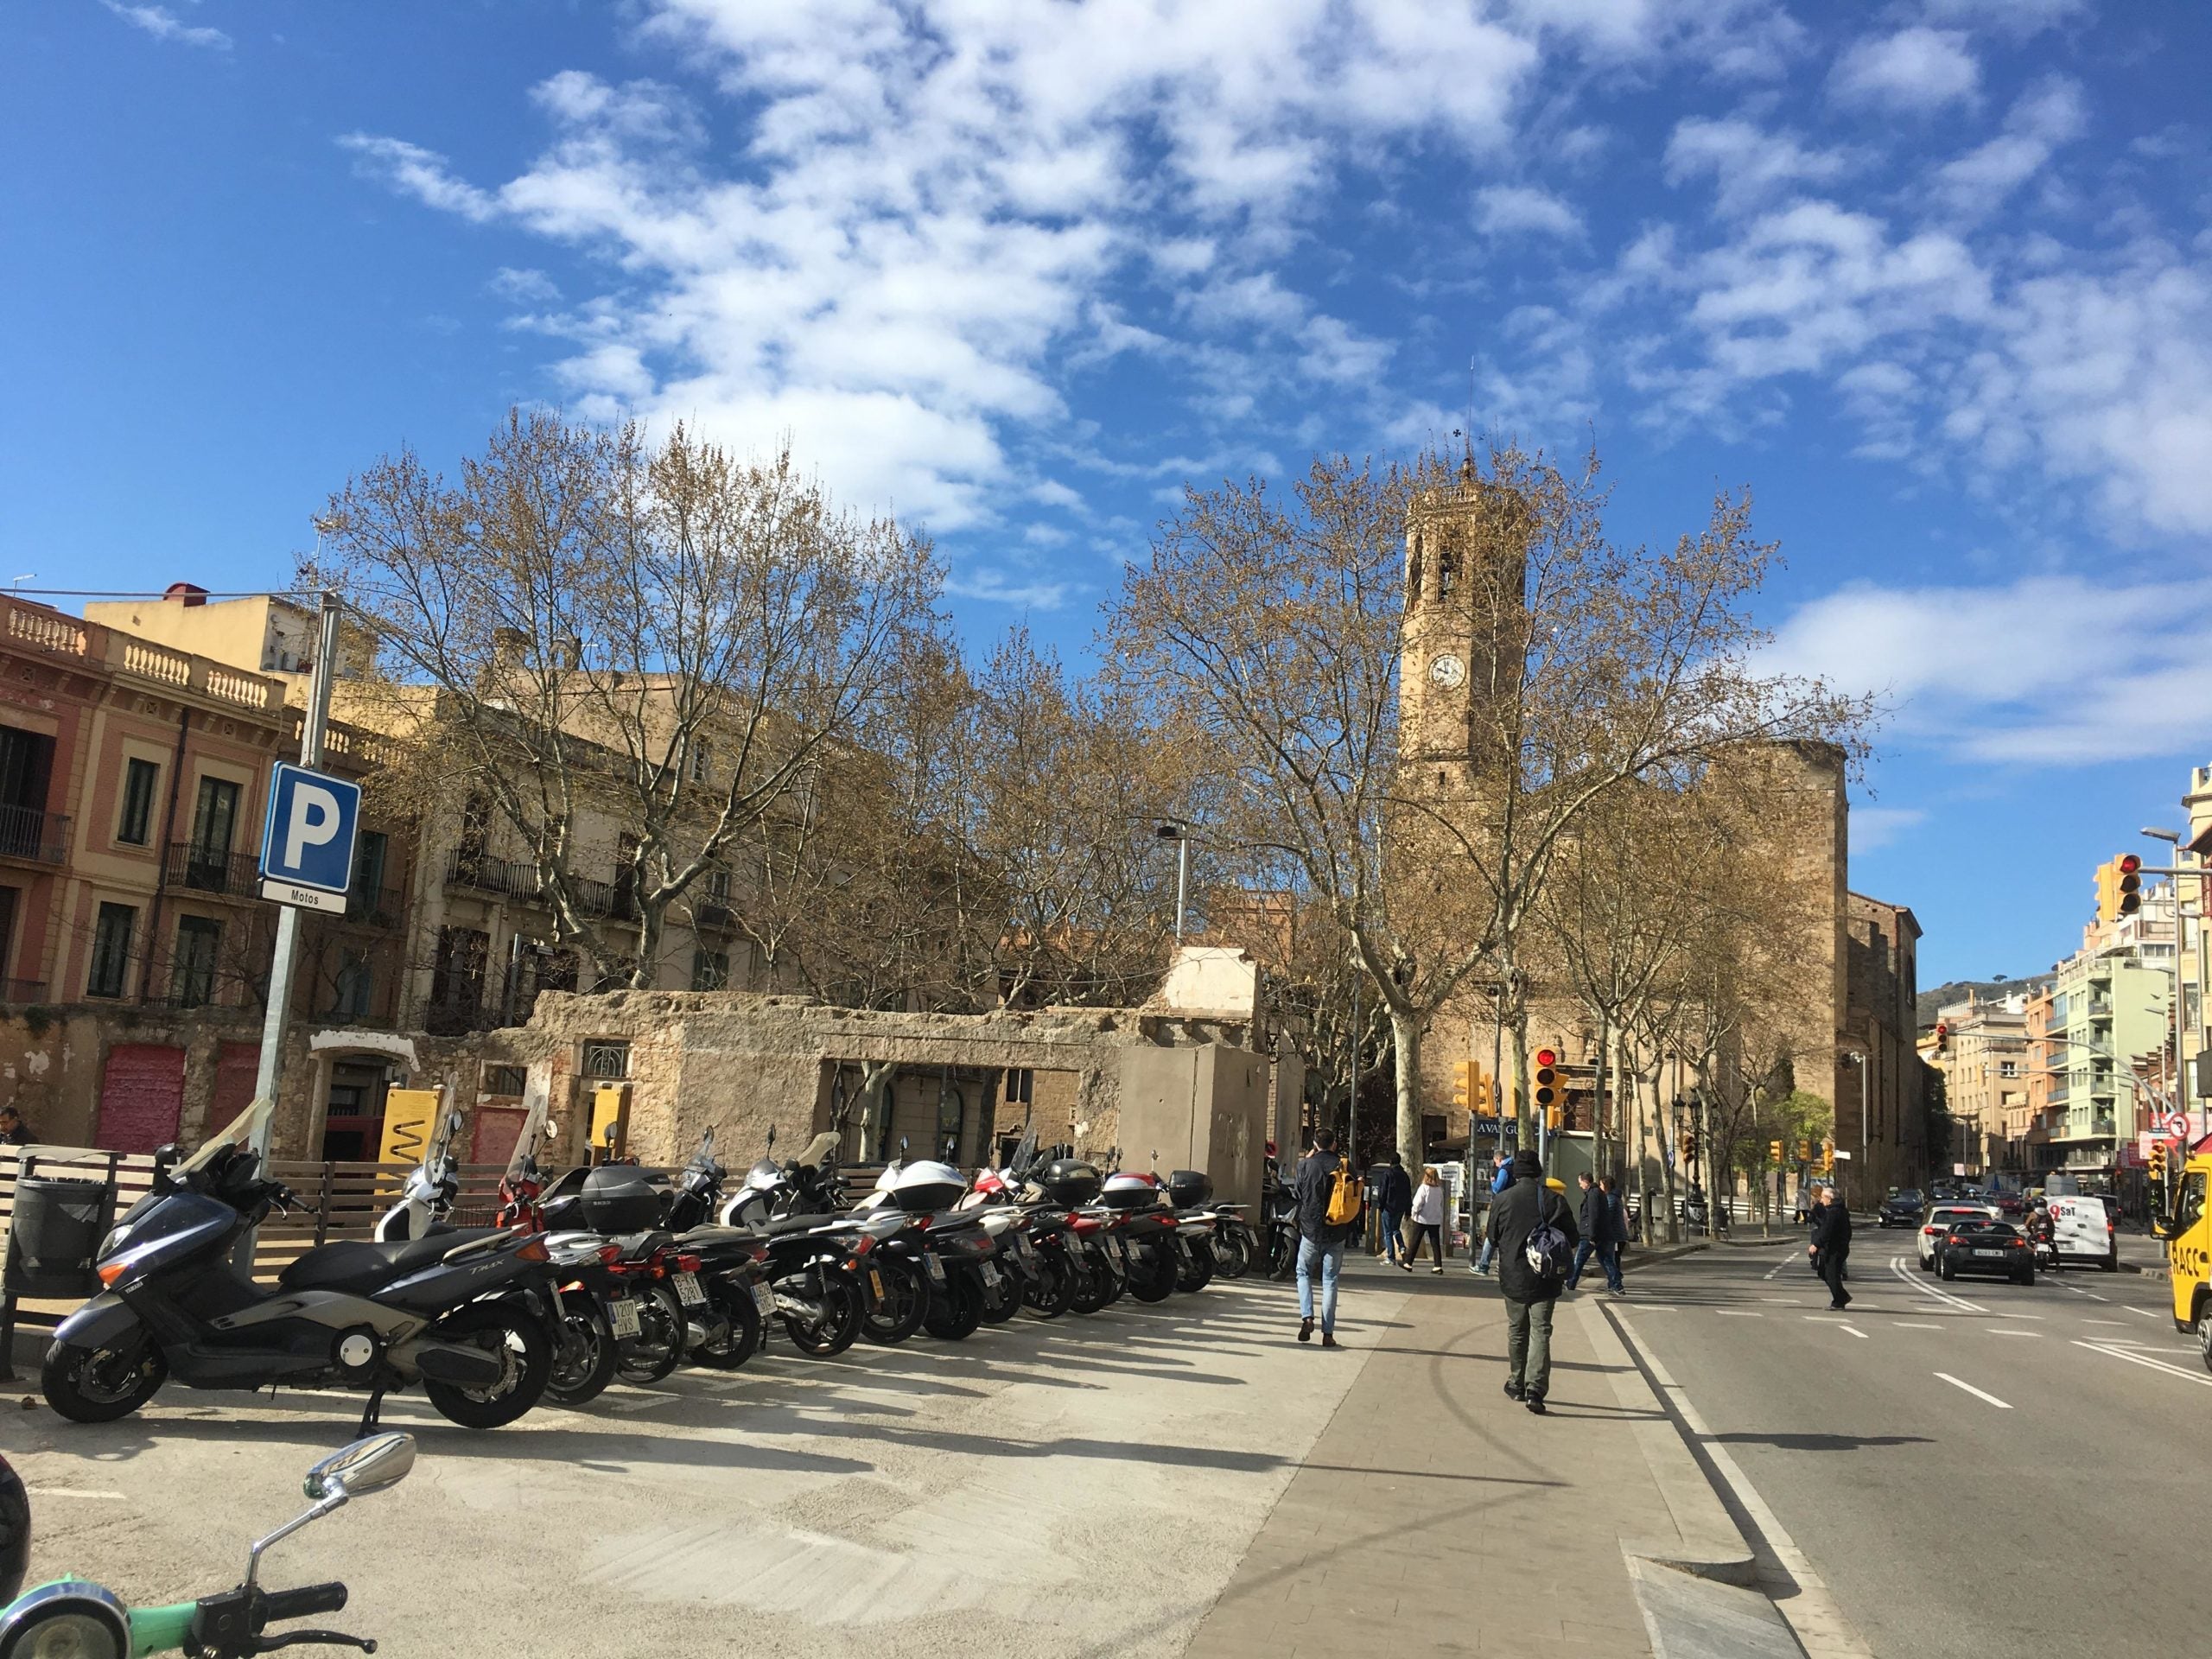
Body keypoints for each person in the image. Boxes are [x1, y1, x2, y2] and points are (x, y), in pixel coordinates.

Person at [1488, 1148, 1579, 1413]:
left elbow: (1492, 1238)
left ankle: (1515, 1383)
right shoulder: (1553, 1200)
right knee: (1541, 1331)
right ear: (1539, 1173)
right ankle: (1535, 1390)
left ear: (1515, 1173)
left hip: (1513, 1276)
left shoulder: (1502, 1200)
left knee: (1517, 1330)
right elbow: (1572, 1237)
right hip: (1546, 1277)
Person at [1294, 1127, 1356, 1348]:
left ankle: (1307, 1316)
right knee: (1330, 1281)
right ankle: (1328, 1334)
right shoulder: (1344, 1165)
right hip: (1337, 1229)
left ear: (1315, 1144)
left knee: (1303, 1273)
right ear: (1334, 1145)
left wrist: (1307, 1160)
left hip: (1310, 1229)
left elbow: (1298, 1193)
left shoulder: (1305, 1165)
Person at [1808, 1184, 1853, 1310]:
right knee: (1824, 1272)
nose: (1821, 1200)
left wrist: (1816, 1244)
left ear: (1829, 1198)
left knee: (1831, 1275)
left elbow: (1827, 1231)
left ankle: (1840, 1300)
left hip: (1834, 1249)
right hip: (1835, 1248)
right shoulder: (1838, 1210)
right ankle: (1842, 1297)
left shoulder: (1834, 1212)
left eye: (1823, 1197)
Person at [1471, 1149, 1514, 1274]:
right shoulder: (1514, 1167)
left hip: (1501, 1205)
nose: (1495, 1165)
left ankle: (1484, 1265)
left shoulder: (1504, 1170)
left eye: (1495, 1162)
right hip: (1511, 1206)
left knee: (1491, 1234)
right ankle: (1503, 1266)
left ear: (1499, 1159)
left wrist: (1492, 1181)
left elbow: (1497, 1189)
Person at [1402, 1166, 1448, 1272]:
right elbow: (1440, 1203)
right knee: (1435, 1243)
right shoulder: (1439, 1190)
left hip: (1422, 1218)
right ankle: (1438, 1265)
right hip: (1435, 1219)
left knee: (1415, 1241)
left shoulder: (1423, 1188)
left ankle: (1408, 1262)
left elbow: (1418, 1204)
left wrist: (1413, 1213)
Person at [1375, 1153, 1413, 1266]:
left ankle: (1391, 1257)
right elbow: (1408, 1194)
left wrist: (1380, 1205)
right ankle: (1401, 1246)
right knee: (1396, 1228)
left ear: (1390, 1162)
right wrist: (1408, 1210)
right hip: (1400, 1207)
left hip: (1388, 1206)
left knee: (1388, 1232)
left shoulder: (1388, 1174)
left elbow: (1383, 1191)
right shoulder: (1404, 1175)